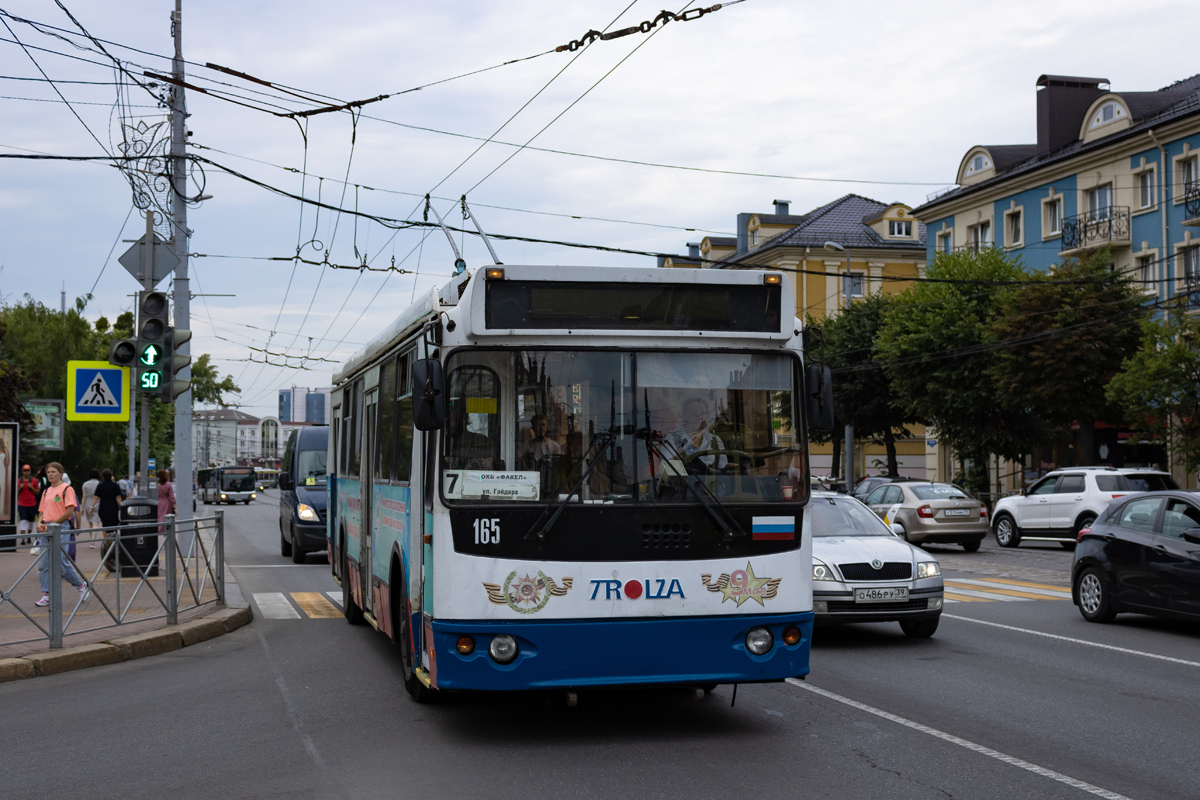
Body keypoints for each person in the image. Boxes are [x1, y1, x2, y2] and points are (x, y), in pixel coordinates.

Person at [34, 462, 88, 606]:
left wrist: (55, 523)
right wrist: (39, 523)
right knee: (43, 563)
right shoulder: (46, 491)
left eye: (53, 472)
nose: (50, 474)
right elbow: (42, 511)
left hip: (61, 527)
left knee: (61, 563)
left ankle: (80, 585)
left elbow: (70, 511)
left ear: (60, 473)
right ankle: (47, 594)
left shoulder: (66, 489)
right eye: (48, 472)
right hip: (46, 528)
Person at [91, 469, 124, 571]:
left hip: (103, 507)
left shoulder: (100, 486)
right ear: (111, 476)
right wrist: (122, 507)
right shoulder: (115, 485)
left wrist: (91, 507)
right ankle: (114, 540)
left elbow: (96, 497)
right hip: (113, 507)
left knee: (105, 525)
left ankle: (106, 542)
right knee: (114, 523)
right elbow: (118, 497)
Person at [17, 464, 41, 546]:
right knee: (23, 521)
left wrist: (32, 487)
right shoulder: (19, 481)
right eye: (25, 470)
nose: (26, 472)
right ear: (22, 471)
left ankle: (29, 536)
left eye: (28, 470)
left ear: (30, 471)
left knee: (31, 522)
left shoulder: (34, 480)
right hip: (21, 503)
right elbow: (15, 492)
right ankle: (23, 538)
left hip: (32, 504)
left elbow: (38, 492)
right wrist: (20, 488)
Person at [81, 468, 101, 548]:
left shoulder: (85, 484)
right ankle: (93, 541)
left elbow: (84, 496)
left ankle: (91, 540)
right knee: (95, 522)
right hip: (97, 502)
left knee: (90, 522)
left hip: (88, 503)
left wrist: (82, 507)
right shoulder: (99, 483)